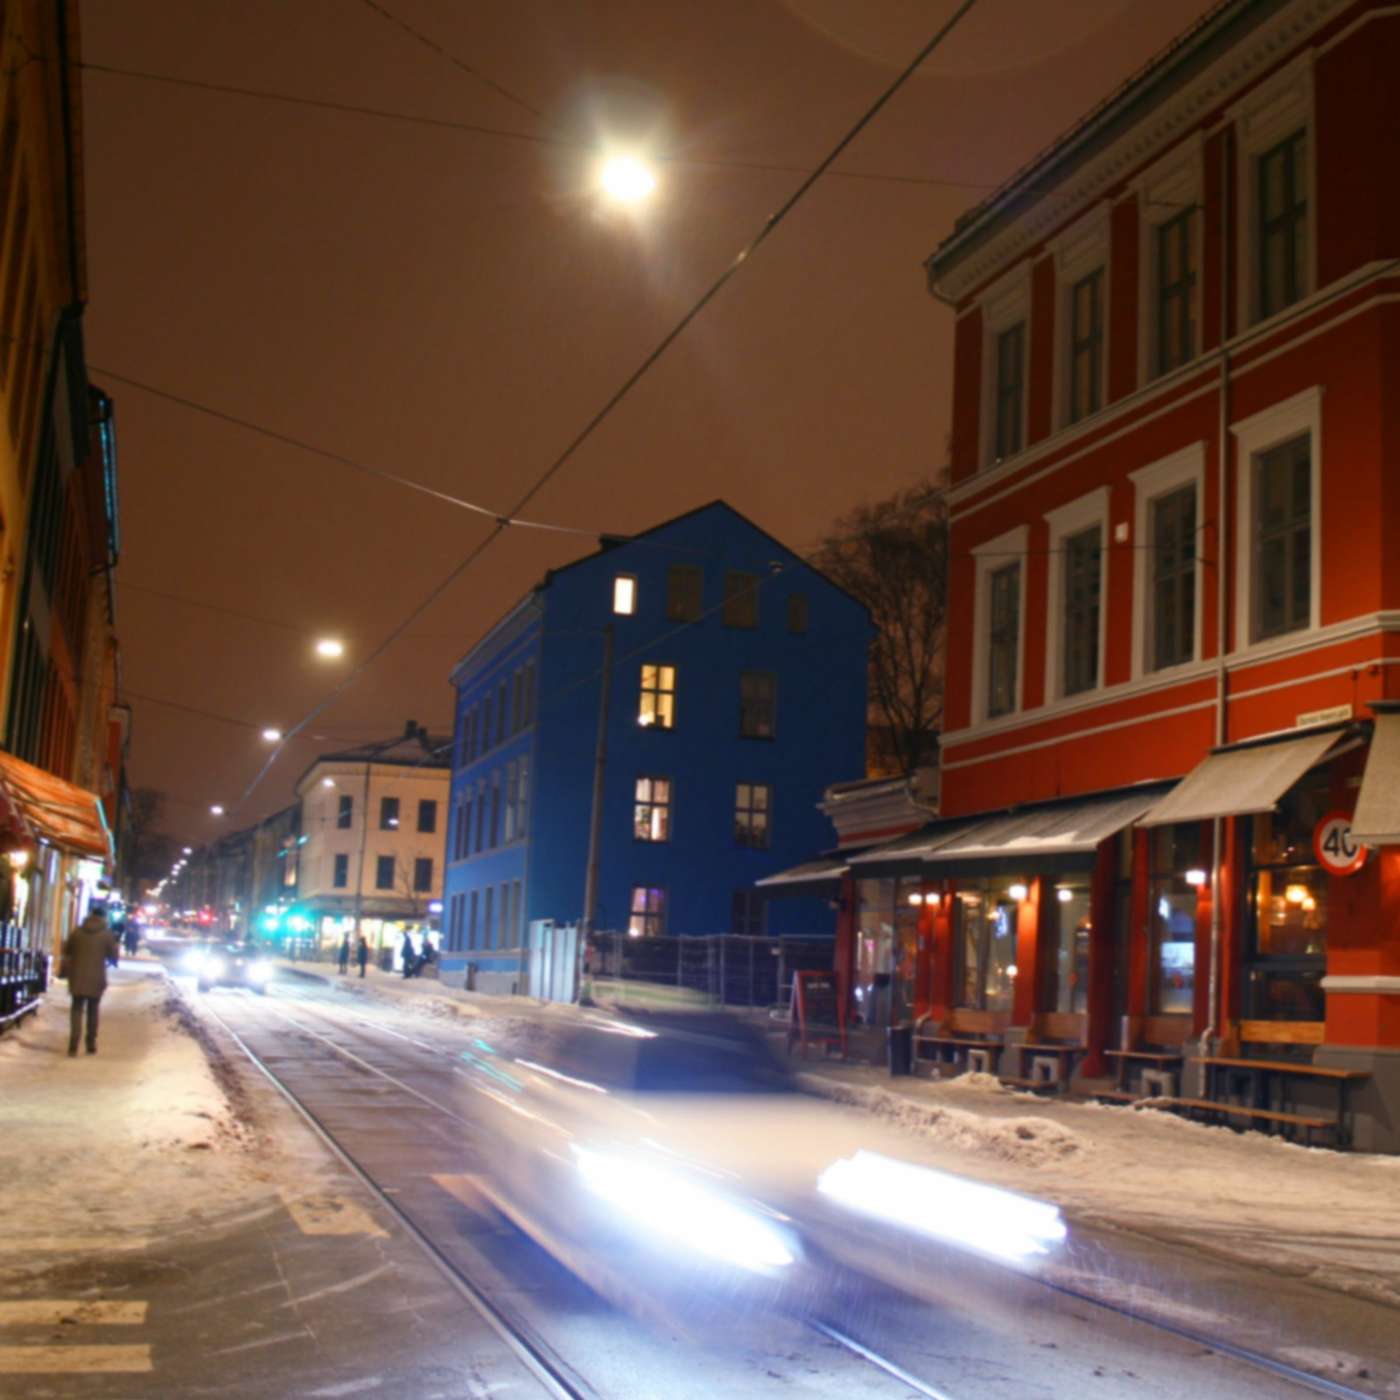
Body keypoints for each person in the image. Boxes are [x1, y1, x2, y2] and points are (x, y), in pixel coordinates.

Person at [61, 910, 121, 1057]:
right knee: (93, 1009)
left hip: (77, 977)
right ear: (103, 918)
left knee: (76, 1008)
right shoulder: (107, 935)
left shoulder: (77, 932)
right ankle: (91, 1043)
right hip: (96, 978)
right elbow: (113, 956)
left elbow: (67, 950)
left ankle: (73, 1044)